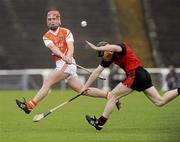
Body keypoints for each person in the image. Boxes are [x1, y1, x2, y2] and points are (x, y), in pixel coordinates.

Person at [15, 10, 120, 114]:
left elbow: (70, 47)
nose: (51, 21)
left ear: (59, 20)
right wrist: (62, 55)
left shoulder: (66, 32)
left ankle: (29, 106)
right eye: (49, 19)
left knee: (48, 81)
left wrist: (68, 57)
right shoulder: (46, 36)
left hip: (68, 64)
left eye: (54, 19)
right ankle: (110, 96)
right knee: (82, 90)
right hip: (62, 63)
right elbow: (53, 48)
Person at [81, 41, 180, 131]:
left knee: (112, 96)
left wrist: (97, 48)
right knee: (160, 102)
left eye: (103, 54)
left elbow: (114, 47)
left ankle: (100, 123)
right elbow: (96, 72)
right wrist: (85, 87)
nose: (104, 58)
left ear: (107, 51)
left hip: (136, 74)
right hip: (142, 74)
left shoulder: (120, 47)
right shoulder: (108, 59)